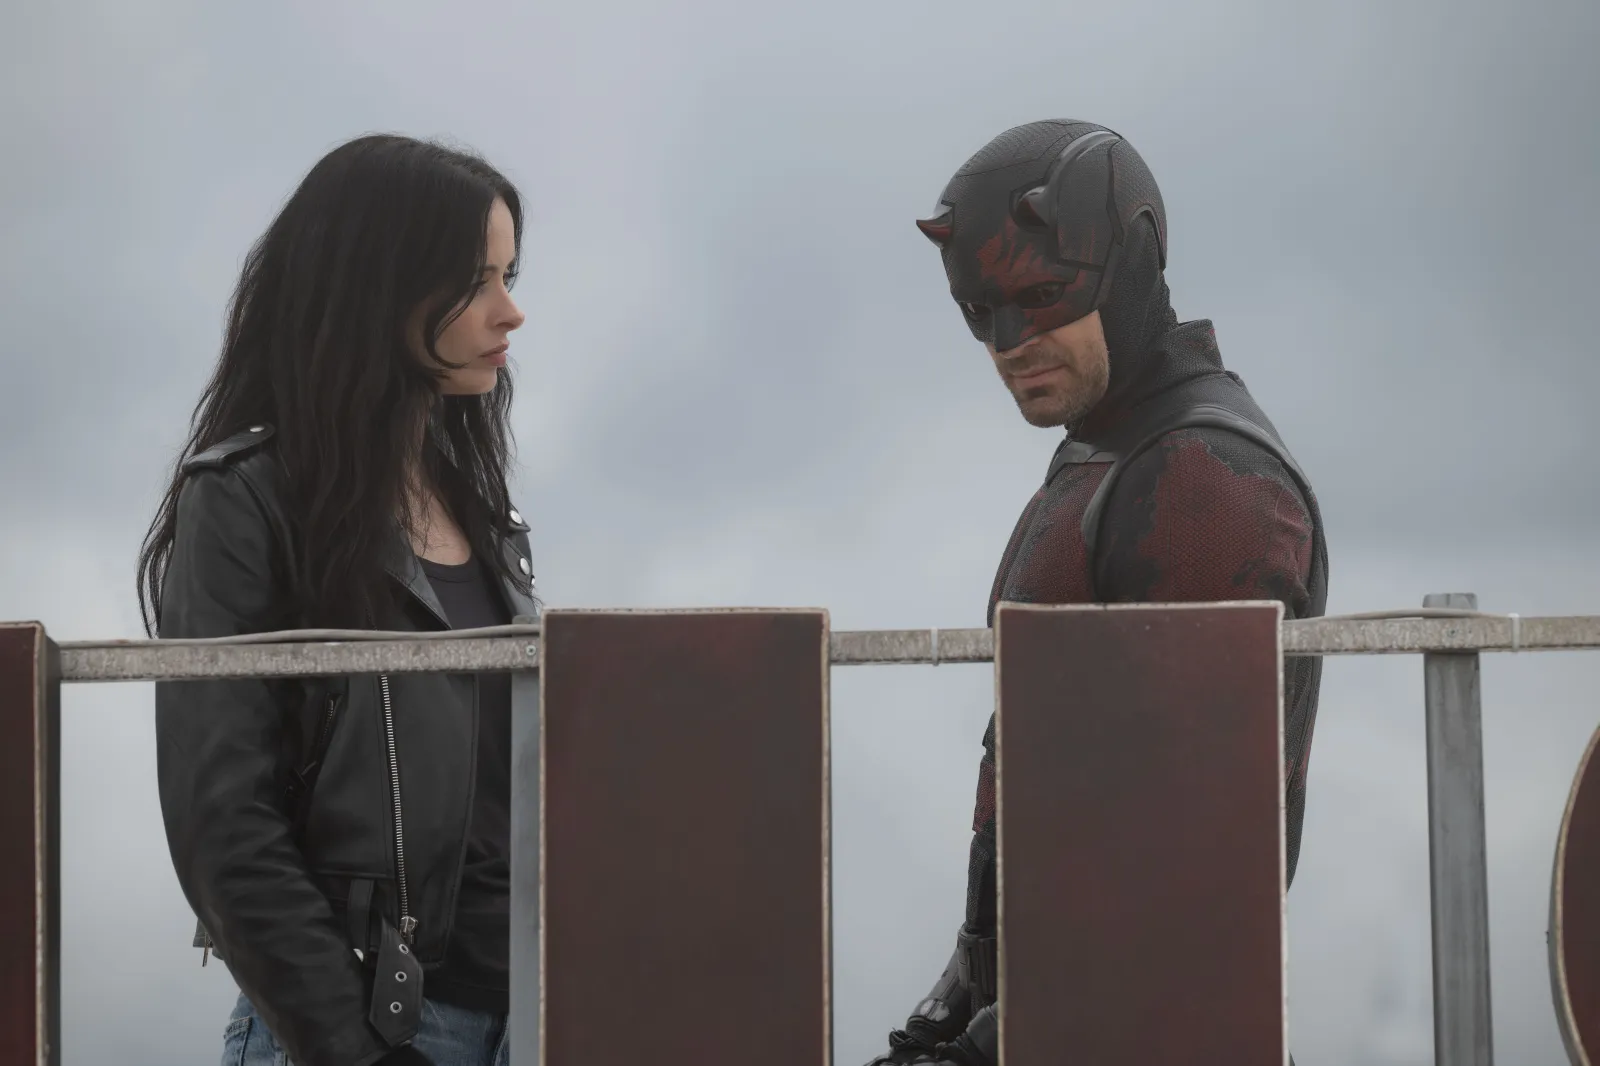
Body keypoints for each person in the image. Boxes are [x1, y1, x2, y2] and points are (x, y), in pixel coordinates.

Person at [864, 120, 1330, 1066]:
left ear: (1133, 262)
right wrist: (971, 986)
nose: (1009, 343)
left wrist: (1005, 1039)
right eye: (979, 310)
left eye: (1042, 296)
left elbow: (1195, 866)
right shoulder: (1111, 444)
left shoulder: (1202, 478)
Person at [137, 134, 536, 1066]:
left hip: (528, 1018)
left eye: (508, 276)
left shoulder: (488, 516)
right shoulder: (245, 497)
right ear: (379, 288)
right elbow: (224, 824)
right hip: (369, 1025)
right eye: (475, 282)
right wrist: (354, 1048)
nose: (511, 311)